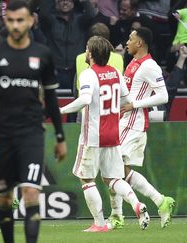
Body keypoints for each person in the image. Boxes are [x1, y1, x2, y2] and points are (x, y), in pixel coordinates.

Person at [0, 1, 67, 242]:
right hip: (1, 136)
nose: (16, 25)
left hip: (31, 135)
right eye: (11, 20)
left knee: (31, 192)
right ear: (6, 21)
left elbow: (52, 98)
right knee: (4, 198)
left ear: (30, 21)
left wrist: (59, 136)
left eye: (20, 20)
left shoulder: (42, 54)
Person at [60, 36, 150, 232]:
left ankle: (99, 224)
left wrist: (59, 111)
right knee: (113, 179)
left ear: (91, 53)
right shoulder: (116, 73)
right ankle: (136, 204)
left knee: (86, 179)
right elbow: (126, 98)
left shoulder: (88, 74)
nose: (85, 52)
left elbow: (84, 99)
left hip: (92, 137)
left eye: (86, 49)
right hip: (113, 134)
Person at [109, 27, 175, 229]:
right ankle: (159, 201)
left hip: (132, 122)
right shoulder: (133, 63)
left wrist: (133, 105)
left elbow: (164, 96)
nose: (127, 42)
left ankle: (119, 215)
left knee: (112, 168)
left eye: (130, 39)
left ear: (140, 43)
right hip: (125, 120)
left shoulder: (150, 66)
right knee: (117, 169)